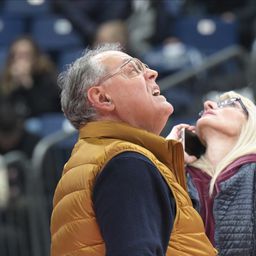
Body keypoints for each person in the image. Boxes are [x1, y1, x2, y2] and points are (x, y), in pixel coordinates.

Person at [50, 43, 217, 256]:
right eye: (133, 69)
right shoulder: (126, 163)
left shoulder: (101, 157)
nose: (153, 73)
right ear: (102, 98)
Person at [169, 90, 256, 255]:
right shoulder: (179, 173)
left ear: (251, 123)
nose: (207, 105)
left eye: (230, 104)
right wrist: (168, 158)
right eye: (202, 112)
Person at [0, 35, 61, 118]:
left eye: (25, 55)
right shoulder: (4, 80)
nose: (20, 60)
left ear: (35, 58)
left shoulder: (47, 77)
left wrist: (28, 84)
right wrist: (14, 86)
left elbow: (48, 110)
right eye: (16, 55)